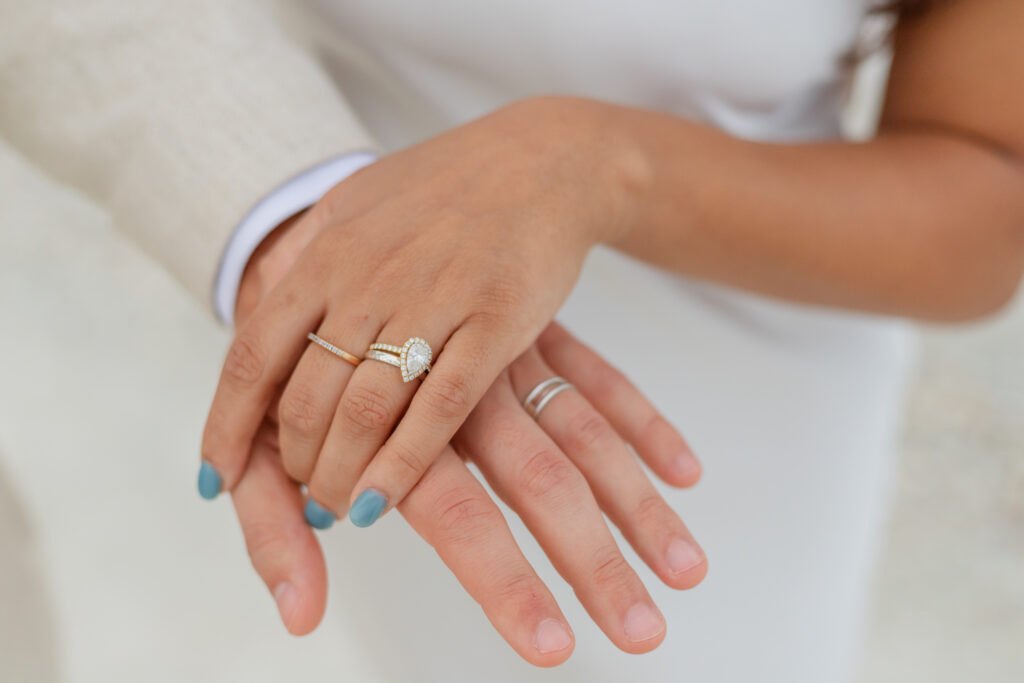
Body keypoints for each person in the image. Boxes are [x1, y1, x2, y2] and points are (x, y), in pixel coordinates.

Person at [3, 0, 1022, 681]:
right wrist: (298, 225)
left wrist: (597, 161)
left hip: (730, 311)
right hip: (365, 314)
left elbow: (988, 193)